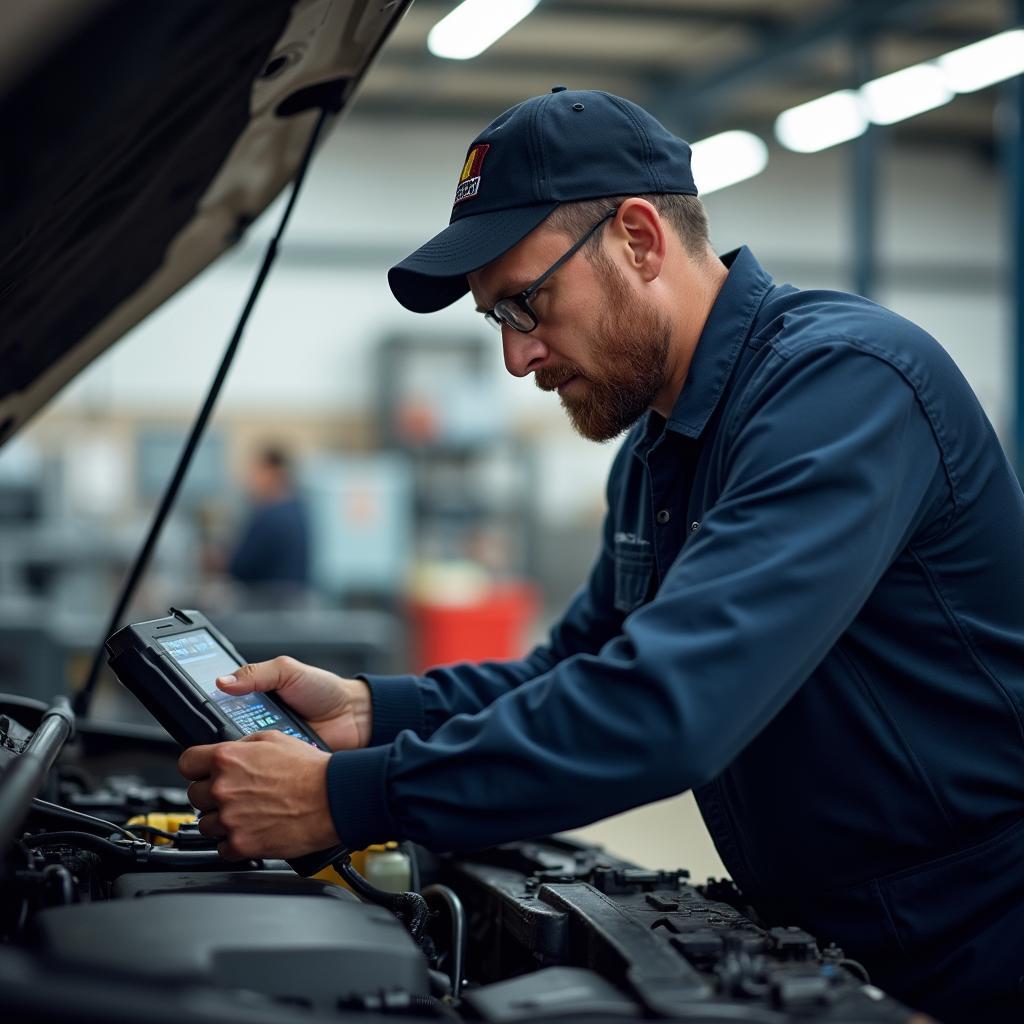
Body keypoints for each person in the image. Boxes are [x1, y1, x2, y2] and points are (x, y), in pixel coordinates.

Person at [178, 89, 1024, 1021]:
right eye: (495, 319)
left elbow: (666, 707)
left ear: (639, 238)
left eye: (526, 303)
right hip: (835, 950)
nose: (517, 358)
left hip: (982, 952)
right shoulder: (659, 452)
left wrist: (351, 796)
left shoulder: (845, 388)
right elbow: (580, 669)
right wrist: (374, 710)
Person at [225, 444, 309, 594]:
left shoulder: (270, 516)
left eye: (256, 472)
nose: (250, 479)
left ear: (273, 473)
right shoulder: (297, 509)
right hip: (291, 601)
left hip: (267, 603)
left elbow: (241, 567)